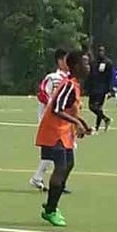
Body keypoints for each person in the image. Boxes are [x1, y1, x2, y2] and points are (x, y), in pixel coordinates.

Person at [35, 49, 93, 228]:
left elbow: (69, 109)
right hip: (54, 133)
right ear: (75, 66)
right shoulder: (68, 84)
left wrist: (81, 124)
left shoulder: (74, 84)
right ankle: (51, 209)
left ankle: (51, 205)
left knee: (69, 165)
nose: (88, 66)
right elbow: (56, 109)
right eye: (85, 63)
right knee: (61, 168)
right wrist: (77, 122)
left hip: (63, 132)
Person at [30, 48, 69, 190]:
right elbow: (42, 94)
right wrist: (53, 106)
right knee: (59, 150)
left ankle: (38, 178)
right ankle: (57, 183)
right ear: (60, 61)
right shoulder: (53, 78)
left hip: (62, 122)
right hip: (50, 120)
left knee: (54, 152)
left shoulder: (69, 79)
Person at [85, 45, 113, 132]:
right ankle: (106, 119)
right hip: (93, 88)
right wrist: (87, 87)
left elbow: (109, 77)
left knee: (98, 107)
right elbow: (90, 76)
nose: (100, 53)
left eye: (102, 51)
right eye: (99, 51)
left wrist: (109, 90)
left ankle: (97, 127)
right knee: (91, 107)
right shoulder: (94, 62)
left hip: (102, 89)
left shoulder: (108, 63)